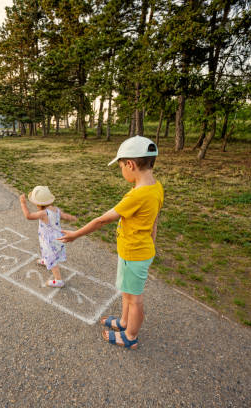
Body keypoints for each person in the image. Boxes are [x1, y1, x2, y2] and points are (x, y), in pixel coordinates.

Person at [59, 136, 163, 349]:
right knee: (127, 291)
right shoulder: (156, 188)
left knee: (135, 299)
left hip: (135, 253)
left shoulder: (137, 196)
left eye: (121, 166)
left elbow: (102, 220)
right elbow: (154, 220)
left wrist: (75, 235)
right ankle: (124, 322)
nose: (121, 170)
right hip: (136, 251)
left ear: (131, 165)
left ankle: (131, 336)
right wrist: (152, 243)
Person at [19, 186, 77, 288]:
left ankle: (58, 280)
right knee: (47, 253)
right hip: (56, 237)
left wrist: (23, 203)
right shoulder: (56, 210)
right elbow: (65, 216)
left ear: (38, 204)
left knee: (52, 259)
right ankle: (45, 260)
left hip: (50, 241)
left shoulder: (43, 213)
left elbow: (28, 216)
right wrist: (73, 218)